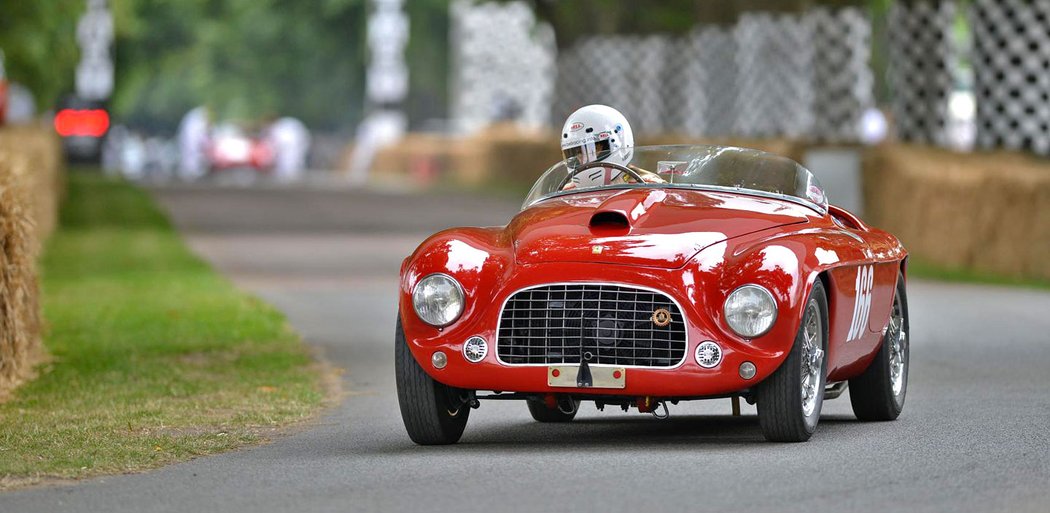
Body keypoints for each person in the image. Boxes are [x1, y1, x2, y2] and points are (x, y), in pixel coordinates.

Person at [559, 104, 663, 190]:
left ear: (620, 143)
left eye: (593, 150)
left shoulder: (649, 187)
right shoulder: (567, 193)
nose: (582, 159)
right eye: (576, 153)